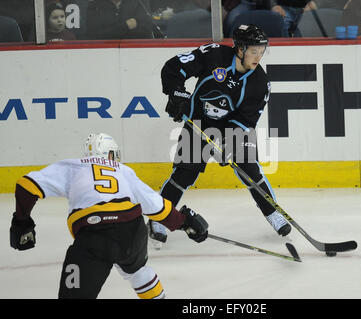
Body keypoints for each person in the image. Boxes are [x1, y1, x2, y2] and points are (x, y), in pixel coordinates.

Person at [9, 133, 208, 299]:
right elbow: (159, 208)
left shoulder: (74, 166)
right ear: (110, 154)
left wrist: (22, 222)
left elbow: (26, 186)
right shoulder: (124, 170)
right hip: (132, 230)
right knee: (138, 270)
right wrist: (185, 223)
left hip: (94, 235)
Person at [148, 24, 291, 246]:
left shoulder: (260, 83)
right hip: (197, 121)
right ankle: (159, 218)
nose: (258, 57)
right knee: (184, 174)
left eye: (262, 51)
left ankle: (273, 213)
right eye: (253, 51)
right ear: (240, 49)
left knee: (249, 168)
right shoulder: (214, 54)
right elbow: (173, 68)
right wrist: (176, 95)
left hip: (231, 126)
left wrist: (229, 144)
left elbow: (246, 120)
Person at [87, 0, 155, 39]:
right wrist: (125, 25)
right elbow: (95, 35)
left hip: (136, 51)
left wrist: (112, 30)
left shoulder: (139, 2)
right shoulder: (95, 5)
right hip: (104, 53)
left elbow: (146, 29)